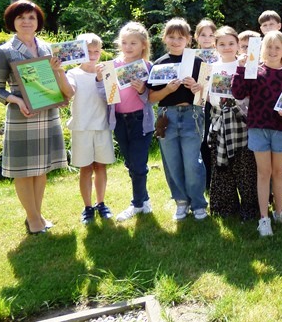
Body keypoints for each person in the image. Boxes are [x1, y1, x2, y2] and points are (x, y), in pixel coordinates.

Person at [0, 0, 69, 234]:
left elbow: (55, 80)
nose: (26, 21)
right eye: (21, 17)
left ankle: (37, 214)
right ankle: (33, 219)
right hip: (21, 115)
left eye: (31, 17)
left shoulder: (47, 48)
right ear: (12, 21)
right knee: (24, 170)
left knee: (41, 168)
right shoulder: (4, 51)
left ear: (38, 22)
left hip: (47, 113)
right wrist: (17, 100)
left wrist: (59, 82)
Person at [231, 31, 282, 236]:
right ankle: (264, 218)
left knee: (279, 172)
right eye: (269, 47)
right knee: (263, 173)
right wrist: (240, 67)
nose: (272, 51)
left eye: (277, 48)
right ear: (262, 50)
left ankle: (279, 212)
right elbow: (238, 92)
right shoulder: (255, 70)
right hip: (258, 128)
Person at [149, 18, 207, 221]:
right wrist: (167, 89)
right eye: (171, 37)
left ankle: (198, 204)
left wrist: (197, 88)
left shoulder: (197, 62)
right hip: (167, 116)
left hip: (192, 115)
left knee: (192, 163)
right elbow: (151, 98)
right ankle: (181, 202)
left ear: (188, 39)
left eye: (180, 37)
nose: (175, 41)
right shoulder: (159, 64)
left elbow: (205, 97)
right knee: (172, 162)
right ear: (165, 38)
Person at [102, 22, 156, 222]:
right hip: (120, 121)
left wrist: (142, 89)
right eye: (124, 42)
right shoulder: (111, 66)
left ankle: (137, 203)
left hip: (140, 120)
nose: (128, 46)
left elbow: (152, 97)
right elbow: (107, 95)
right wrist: (102, 80)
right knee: (130, 163)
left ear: (143, 45)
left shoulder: (148, 67)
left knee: (139, 163)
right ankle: (145, 199)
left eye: (133, 43)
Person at [207, 27, 258, 221]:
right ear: (215, 46)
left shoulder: (246, 65)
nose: (227, 47)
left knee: (245, 166)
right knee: (221, 165)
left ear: (238, 45)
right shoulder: (210, 67)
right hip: (219, 120)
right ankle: (225, 207)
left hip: (241, 120)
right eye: (222, 44)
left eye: (231, 43)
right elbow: (205, 95)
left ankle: (250, 208)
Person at [63, 33, 115, 224]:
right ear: (80, 53)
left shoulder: (108, 70)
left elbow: (112, 97)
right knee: (85, 168)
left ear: (101, 51)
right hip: (81, 127)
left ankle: (101, 203)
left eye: (96, 51)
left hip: (102, 127)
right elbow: (70, 90)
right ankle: (87, 207)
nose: (93, 55)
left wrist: (103, 79)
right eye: (88, 51)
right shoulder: (73, 73)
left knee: (101, 167)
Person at [194, 18, 217, 194]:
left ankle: (212, 180)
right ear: (197, 37)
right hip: (195, 104)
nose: (207, 38)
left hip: (214, 104)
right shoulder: (191, 56)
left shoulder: (221, 54)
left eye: (211, 35)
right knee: (199, 143)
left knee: (211, 142)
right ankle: (203, 181)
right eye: (203, 35)